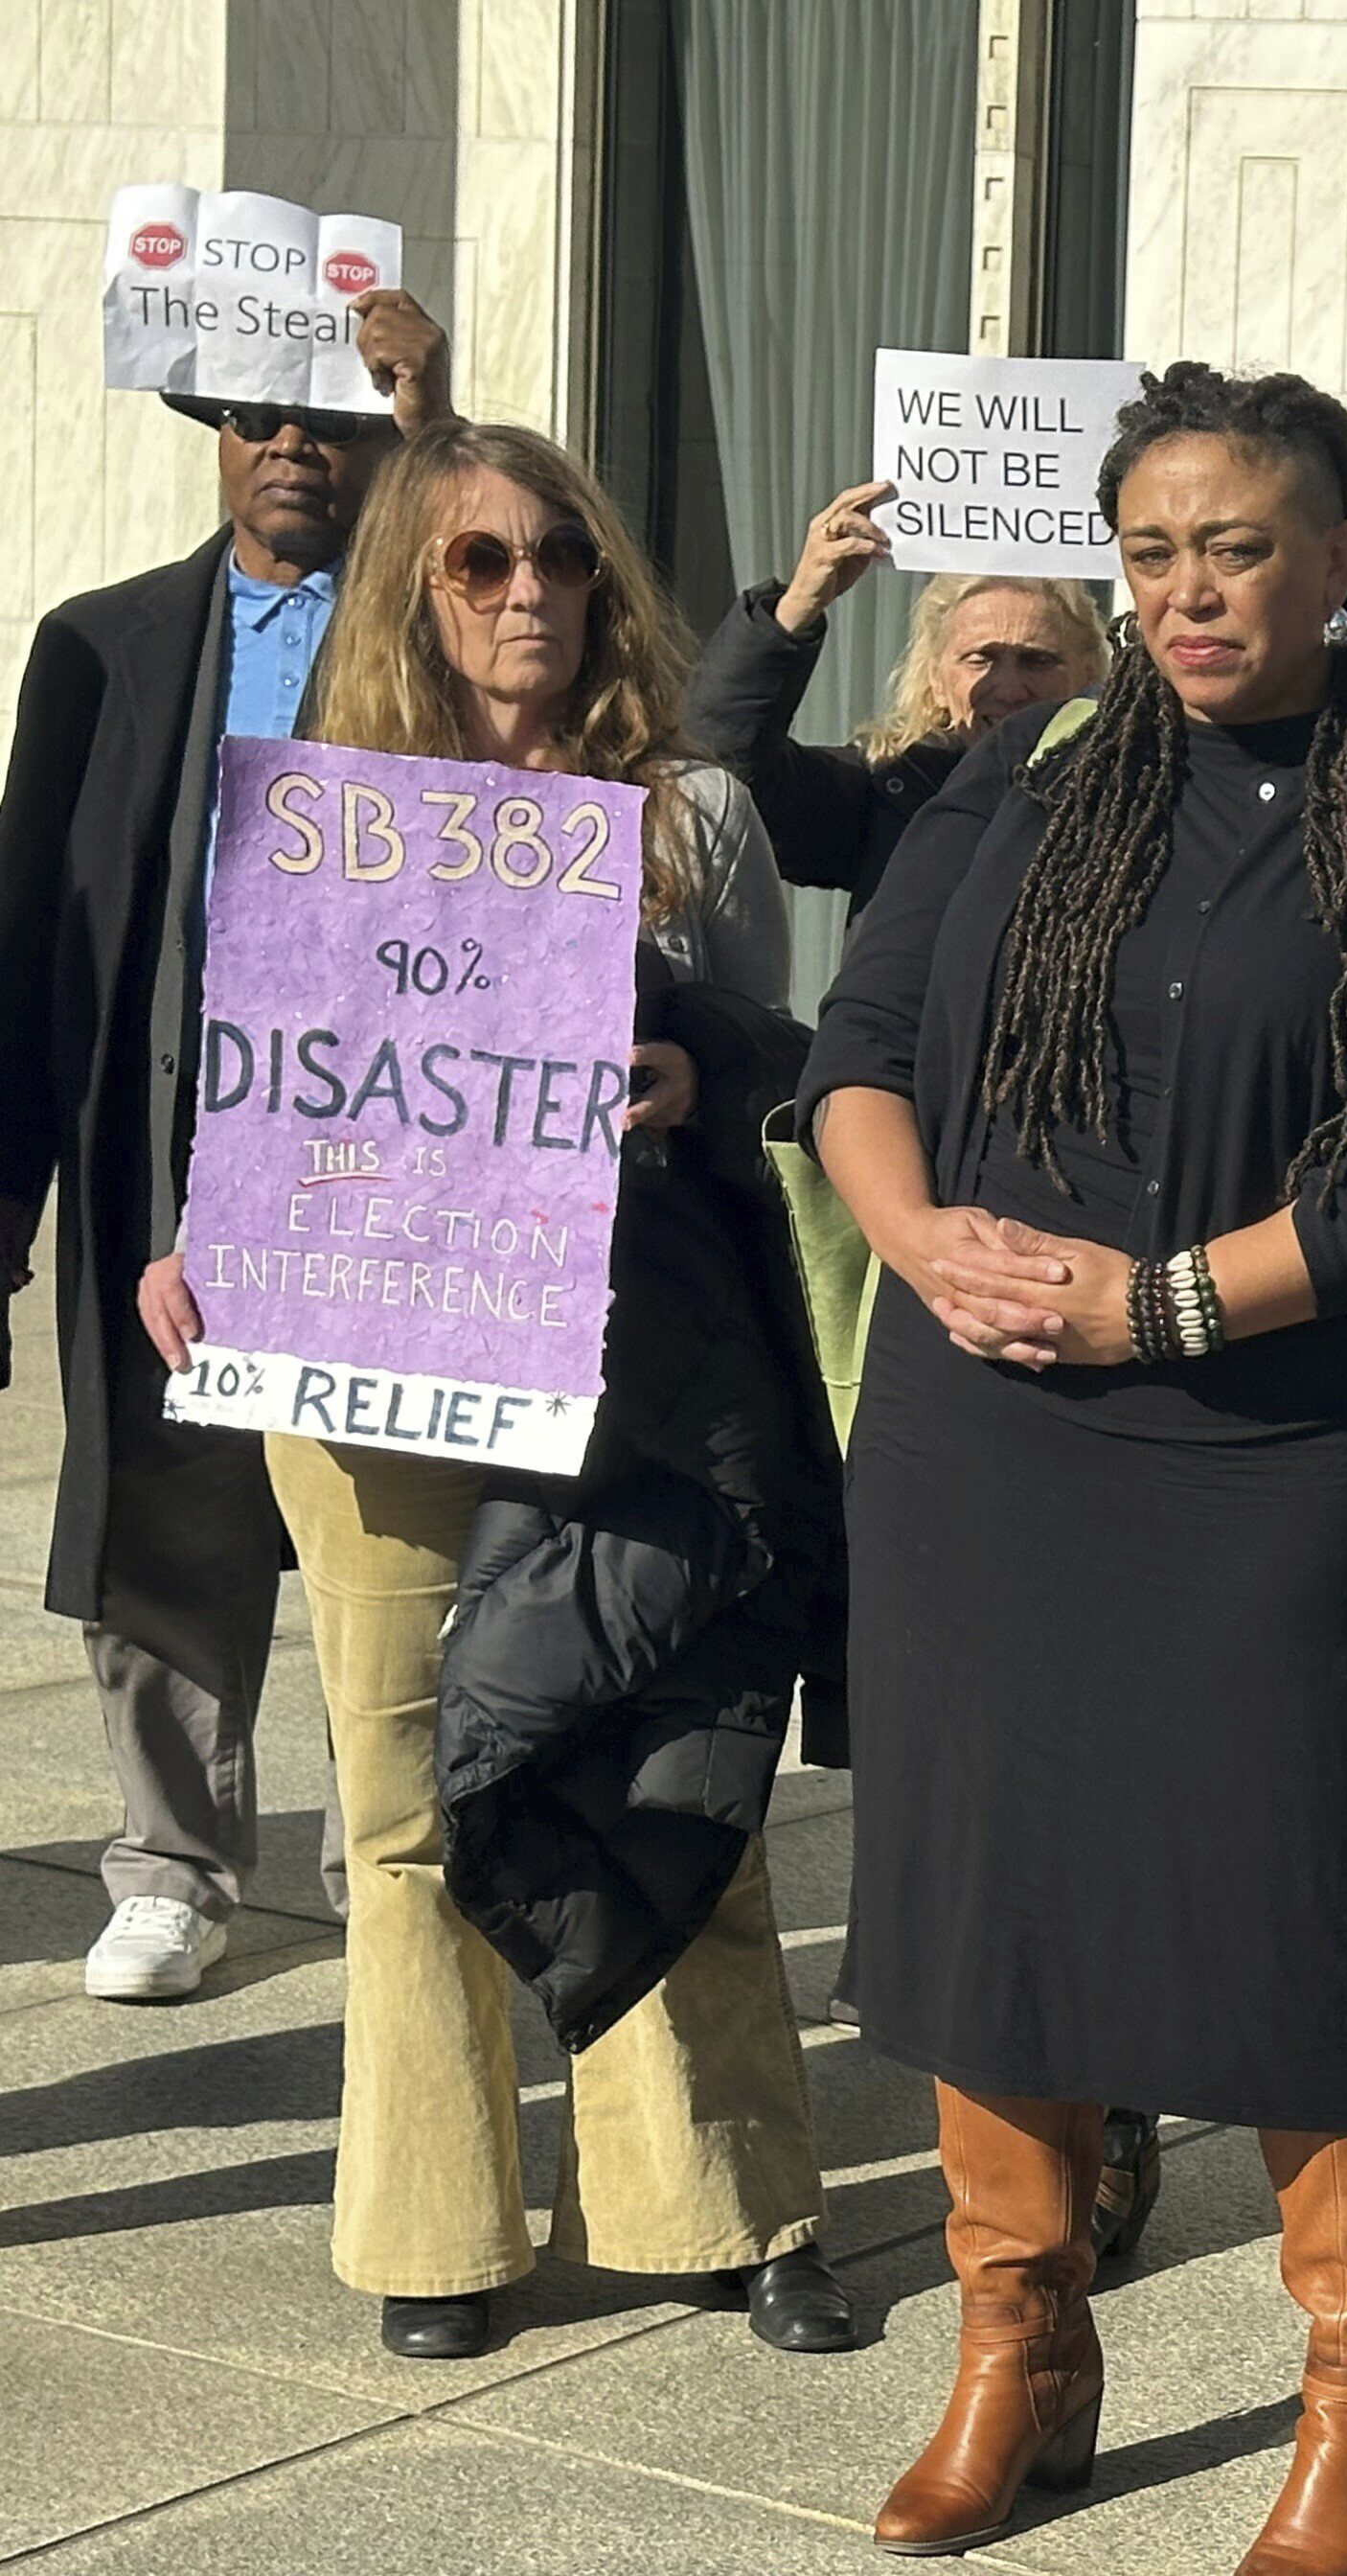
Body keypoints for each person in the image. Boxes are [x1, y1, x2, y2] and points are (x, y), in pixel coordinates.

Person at [807, 361, 1347, 2574]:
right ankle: (1018, 2344)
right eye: (1154, 551)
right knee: (990, 1888)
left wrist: (1165, 1303)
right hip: (987, 1429)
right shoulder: (1030, 762)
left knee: (1301, 1900)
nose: (1192, 592)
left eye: (1239, 545)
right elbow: (864, 1050)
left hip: (1288, 1441)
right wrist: (920, 1248)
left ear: (1341, 557)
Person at [135, 418, 834, 2361]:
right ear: (411, 593)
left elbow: (795, 1074)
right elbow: (239, 1073)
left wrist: (706, 1080)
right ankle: (437, 2229)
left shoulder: (691, 812)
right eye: (480, 564)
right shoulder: (322, 815)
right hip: (367, 1358)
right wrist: (188, 1234)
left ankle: (726, 2197)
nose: (531, 594)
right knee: (398, 1797)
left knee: (681, 1744)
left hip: (637, 1361)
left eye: (562, 561)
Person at [0, 288, 448, 2002]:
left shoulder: (439, 621)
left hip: (380, 1143)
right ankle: (174, 1865)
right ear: (213, 438)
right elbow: (36, 924)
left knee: (376, 1502)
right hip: (158, 1132)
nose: (289, 444)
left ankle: (384, 1857)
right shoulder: (102, 643)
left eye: (327, 420)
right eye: (258, 416)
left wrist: (430, 414)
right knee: (168, 1511)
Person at [684, 489, 1108, 910]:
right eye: (981, 659)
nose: (1010, 688)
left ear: (1088, 673)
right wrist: (796, 608)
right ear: (936, 679)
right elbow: (716, 771)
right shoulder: (890, 794)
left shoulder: (1132, 798)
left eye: (1037, 661)